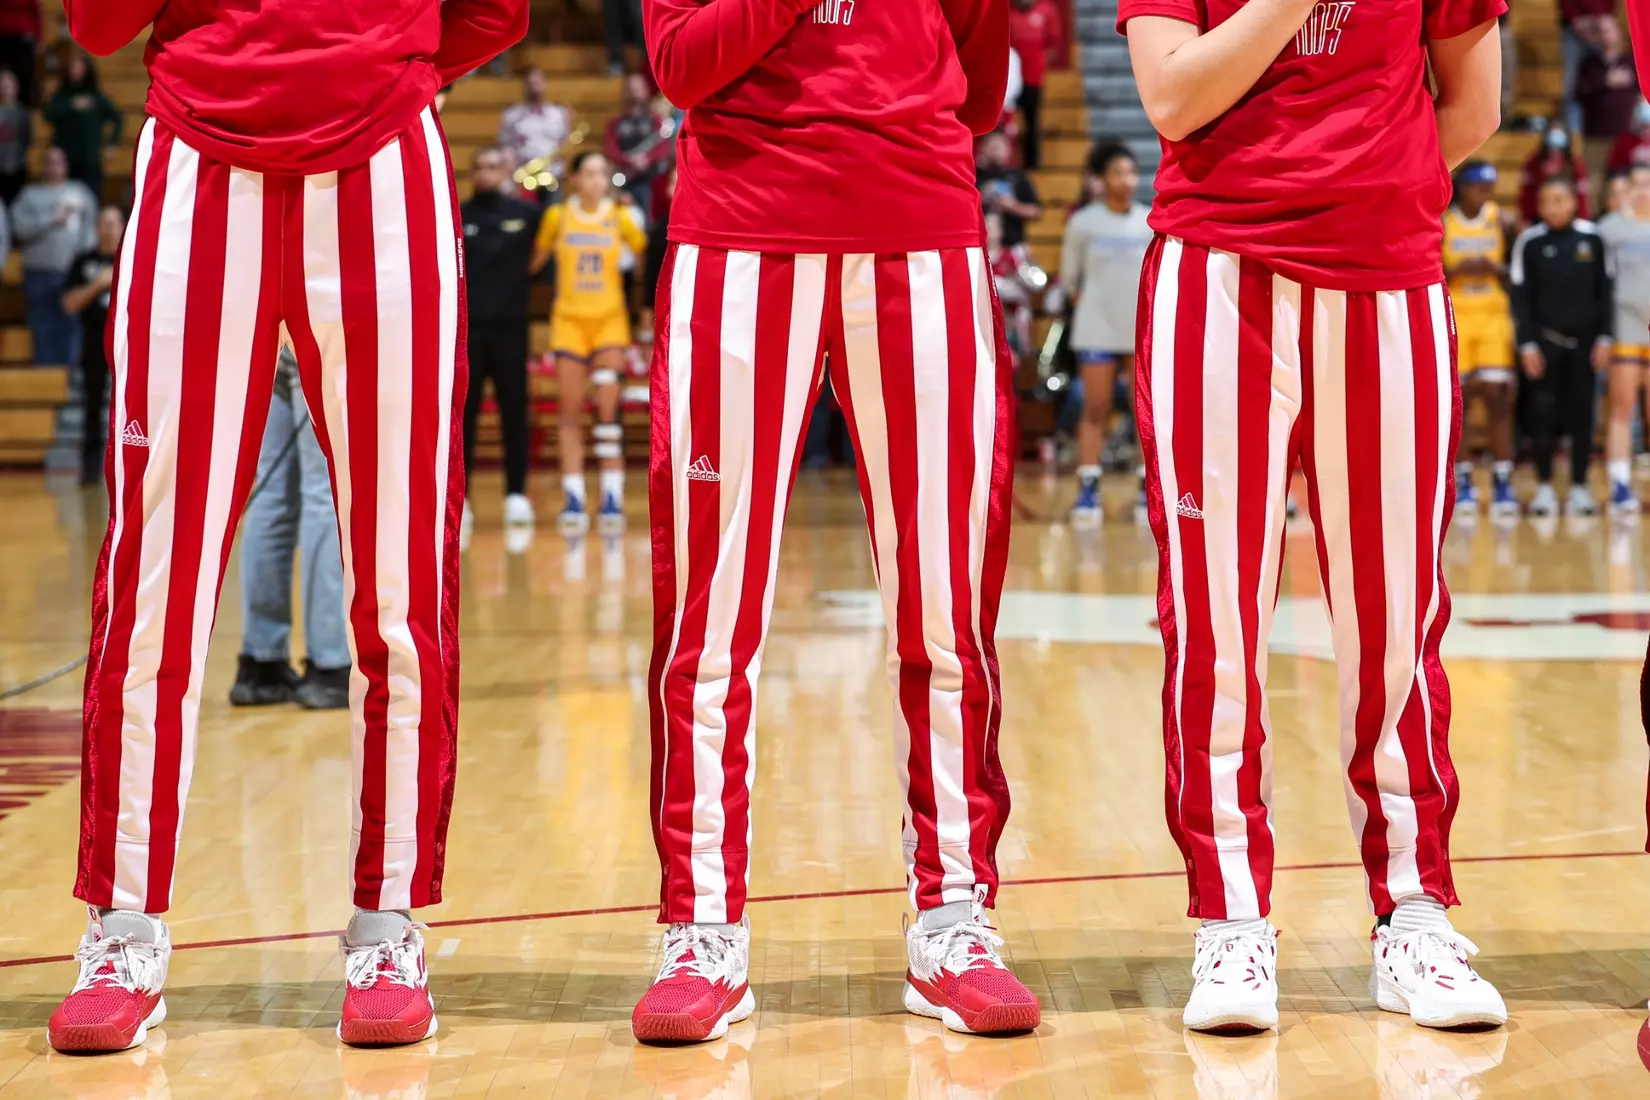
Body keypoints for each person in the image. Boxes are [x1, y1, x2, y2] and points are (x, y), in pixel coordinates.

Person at [45, 0, 526, 1056]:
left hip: (383, 167)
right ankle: (123, 926)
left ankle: (387, 922)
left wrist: (376, 65)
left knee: (399, 584)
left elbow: (496, 13)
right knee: (154, 582)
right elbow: (98, 24)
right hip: (196, 166)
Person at [635, 0, 1041, 1046]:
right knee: (710, 619)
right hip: (740, 231)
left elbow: (981, 87)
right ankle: (702, 926)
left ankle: (953, 913)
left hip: (922, 228)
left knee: (946, 609)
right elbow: (681, 64)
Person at [1122, 0, 1507, 1036]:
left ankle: (1414, 911)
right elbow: (1170, 97)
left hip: (1390, 277)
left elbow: (1474, 106)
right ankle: (1231, 915)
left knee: (1395, 622)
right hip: (1216, 272)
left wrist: (1364, 179)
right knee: (1214, 620)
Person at [530, 150, 645, 534]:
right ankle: (574, 496)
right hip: (569, 322)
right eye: (590, 173)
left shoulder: (621, 217)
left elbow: (646, 263)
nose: (597, 180)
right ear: (575, 179)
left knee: (608, 411)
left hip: (609, 322)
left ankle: (611, 496)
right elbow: (533, 263)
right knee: (570, 409)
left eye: (603, 173)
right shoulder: (557, 216)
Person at [230, 346, 351, 711]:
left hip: (264, 340)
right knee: (324, 492)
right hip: (317, 336)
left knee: (271, 495)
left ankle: (262, 663)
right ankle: (330, 664)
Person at [1511, 176, 1614, 517]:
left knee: (1583, 417)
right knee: (1542, 416)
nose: (1552, 207)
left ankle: (1580, 487)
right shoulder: (1530, 242)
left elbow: (1606, 291)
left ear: (1573, 201)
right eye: (1545, 201)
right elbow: (1520, 297)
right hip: (1543, 345)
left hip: (1585, 346)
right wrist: (1527, 344)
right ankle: (1543, 487)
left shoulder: (1593, 238)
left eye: (1559, 200)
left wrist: (1604, 337)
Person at [1060, 141, 1149, 526]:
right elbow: (1070, 280)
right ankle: (1088, 489)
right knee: (1094, 409)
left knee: (1144, 411)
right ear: (1102, 178)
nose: (1126, 179)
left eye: (1131, 172)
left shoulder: (1148, 221)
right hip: (1097, 328)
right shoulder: (1083, 222)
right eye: (1117, 172)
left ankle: (1148, 489)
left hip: (1139, 329)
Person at [460, 145, 541, 543]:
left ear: (506, 171)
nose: (487, 172)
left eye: (494, 166)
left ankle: (516, 496)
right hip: (470, 332)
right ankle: (461, 502)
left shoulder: (528, 215)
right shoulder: (459, 215)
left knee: (514, 413)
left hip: (512, 329)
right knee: (465, 417)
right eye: (481, 166)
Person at [1444, 162, 1520, 520]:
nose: (1487, 194)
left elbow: (1517, 272)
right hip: (1458, 314)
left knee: (1497, 396)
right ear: (1464, 188)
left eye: (1491, 187)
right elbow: (1433, 270)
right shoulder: (1445, 222)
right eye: (1481, 187)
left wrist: (1493, 269)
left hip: (1493, 315)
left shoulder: (1502, 221)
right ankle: (1464, 481)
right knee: (1460, 401)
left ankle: (1503, 479)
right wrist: (1457, 270)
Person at [11, 146, 95, 370]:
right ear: (43, 166)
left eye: (59, 161)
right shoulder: (30, 195)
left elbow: (91, 229)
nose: (55, 166)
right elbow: (19, 230)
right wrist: (51, 219)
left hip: (73, 273)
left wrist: (83, 262)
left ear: (66, 165)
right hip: (39, 273)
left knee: (73, 326)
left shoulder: (80, 192)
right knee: (42, 326)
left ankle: (70, 377)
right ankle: (45, 377)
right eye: (50, 162)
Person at [1599, 164, 1650, 515]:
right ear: (1626, 189)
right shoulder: (1609, 229)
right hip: (1625, 327)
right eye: (1637, 184)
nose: (1643, 190)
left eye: (1649, 184)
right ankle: (1619, 483)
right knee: (1622, 406)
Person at [62, 202, 121, 485]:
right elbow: (69, 304)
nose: (108, 228)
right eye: (104, 223)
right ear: (96, 228)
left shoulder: (133, 257)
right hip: (94, 341)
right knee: (93, 406)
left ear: (123, 227)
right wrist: (98, 284)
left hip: (126, 344)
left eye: (114, 223)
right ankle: (90, 469)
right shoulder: (83, 261)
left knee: (127, 407)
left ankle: (125, 469)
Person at [1575, 17, 1640, 196]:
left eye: (1609, 30)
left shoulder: (1630, 60)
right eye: (1601, 31)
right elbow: (1578, 93)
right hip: (1595, 134)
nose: (1605, 35)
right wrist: (1606, 82)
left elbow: (1641, 92)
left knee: (1624, 182)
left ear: (1619, 33)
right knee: (1594, 183)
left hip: (1625, 135)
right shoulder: (1589, 63)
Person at [43, 51, 120, 199]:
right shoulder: (61, 95)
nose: (75, 71)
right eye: (72, 66)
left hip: (90, 160)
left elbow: (117, 118)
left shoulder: (96, 97)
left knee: (90, 199)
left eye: (79, 66)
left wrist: (112, 143)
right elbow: (48, 115)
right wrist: (71, 106)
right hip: (64, 162)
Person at [605, 73, 674, 213]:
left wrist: (647, 159)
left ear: (645, 90)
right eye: (631, 88)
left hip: (650, 180)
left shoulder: (655, 119)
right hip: (624, 178)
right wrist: (627, 160)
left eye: (638, 88)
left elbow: (663, 147)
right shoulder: (616, 121)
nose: (634, 92)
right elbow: (610, 148)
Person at [1008, 0, 1059, 168]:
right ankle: (1009, 162)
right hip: (1011, 79)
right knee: (1008, 123)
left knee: (1032, 120)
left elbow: (1053, 43)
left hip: (1033, 78)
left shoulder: (1046, 10)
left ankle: (1032, 164)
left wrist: (1040, 64)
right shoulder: (1008, 12)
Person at [498, 67, 573, 178]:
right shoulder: (511, 115)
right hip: (524, 174)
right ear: (524, 86)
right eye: (531, 83)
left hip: (553, 173)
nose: (534, 87)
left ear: (545, 84)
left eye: (537, 83)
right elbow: (505, 146)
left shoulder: (558, 114)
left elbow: (565, 143)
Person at [976, 129, 1041, 247]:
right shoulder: (973, 176)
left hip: (1013, 244)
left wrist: (1013, 206)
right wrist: (980, 199)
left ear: (1008, 149)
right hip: (980, 244)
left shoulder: (1019, 177)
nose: (996, 151)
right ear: (983, 148)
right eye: (992, 146)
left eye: (1000, 146)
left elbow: (1035, 212)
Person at [1520, 120, 1593, 224]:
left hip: (1569, 218)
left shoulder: (1574, 163)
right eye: (1553, 133)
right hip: (1538, 218)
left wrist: (1583, 219)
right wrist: (1525, 218)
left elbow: (1582, 193)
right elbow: (1527, 193)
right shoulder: (1534, 162)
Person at [0, 68, 30, 204]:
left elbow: (27, 139)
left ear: (16, 88)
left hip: (15, 167)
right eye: (2, 85)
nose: (5, 90)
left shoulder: (23, 113)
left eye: (8, 86)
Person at [0, 0, 37, 104]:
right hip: (2, 36)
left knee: (25, 77)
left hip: (22, 38)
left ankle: (23, 109)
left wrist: (38, 37)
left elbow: (35, 12)